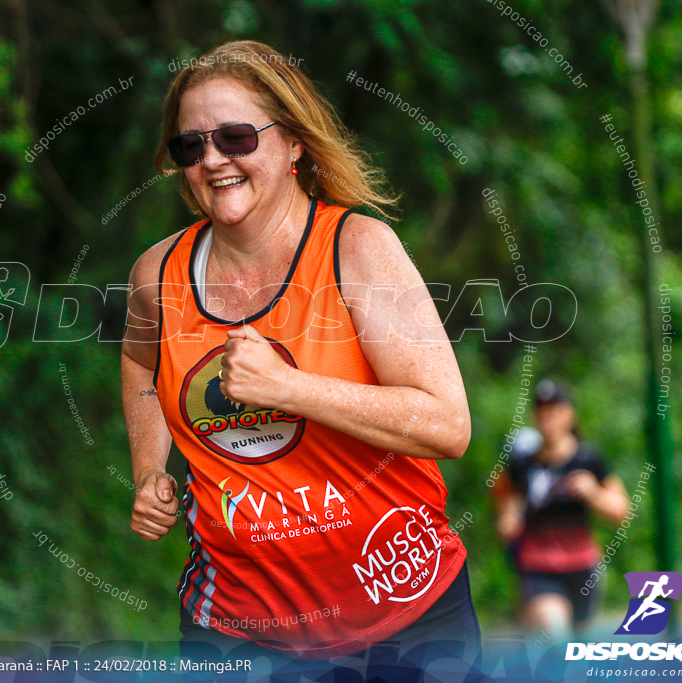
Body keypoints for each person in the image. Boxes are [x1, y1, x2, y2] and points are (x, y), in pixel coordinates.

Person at [120, 40, 481, 681]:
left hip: (403, 612)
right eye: (191, 146)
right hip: (235, 626)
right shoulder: (160, 274)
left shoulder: (359, 249)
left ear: (292, 144)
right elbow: (139, 365)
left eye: (235, 137)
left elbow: (446, 425)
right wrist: (150, 468)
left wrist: (289, 388)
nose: (213, 160)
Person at [496, 379, 629, 639]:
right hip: (538, 568)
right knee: (555, 636)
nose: (548, 419)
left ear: (570, 414)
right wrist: (509, 520)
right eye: (542, 412)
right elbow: (506, 517)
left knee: (576, 649)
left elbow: (621, 512)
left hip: (582, 568)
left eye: (555, 411)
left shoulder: (589, 459)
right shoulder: (522, 464)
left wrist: (593, 493)